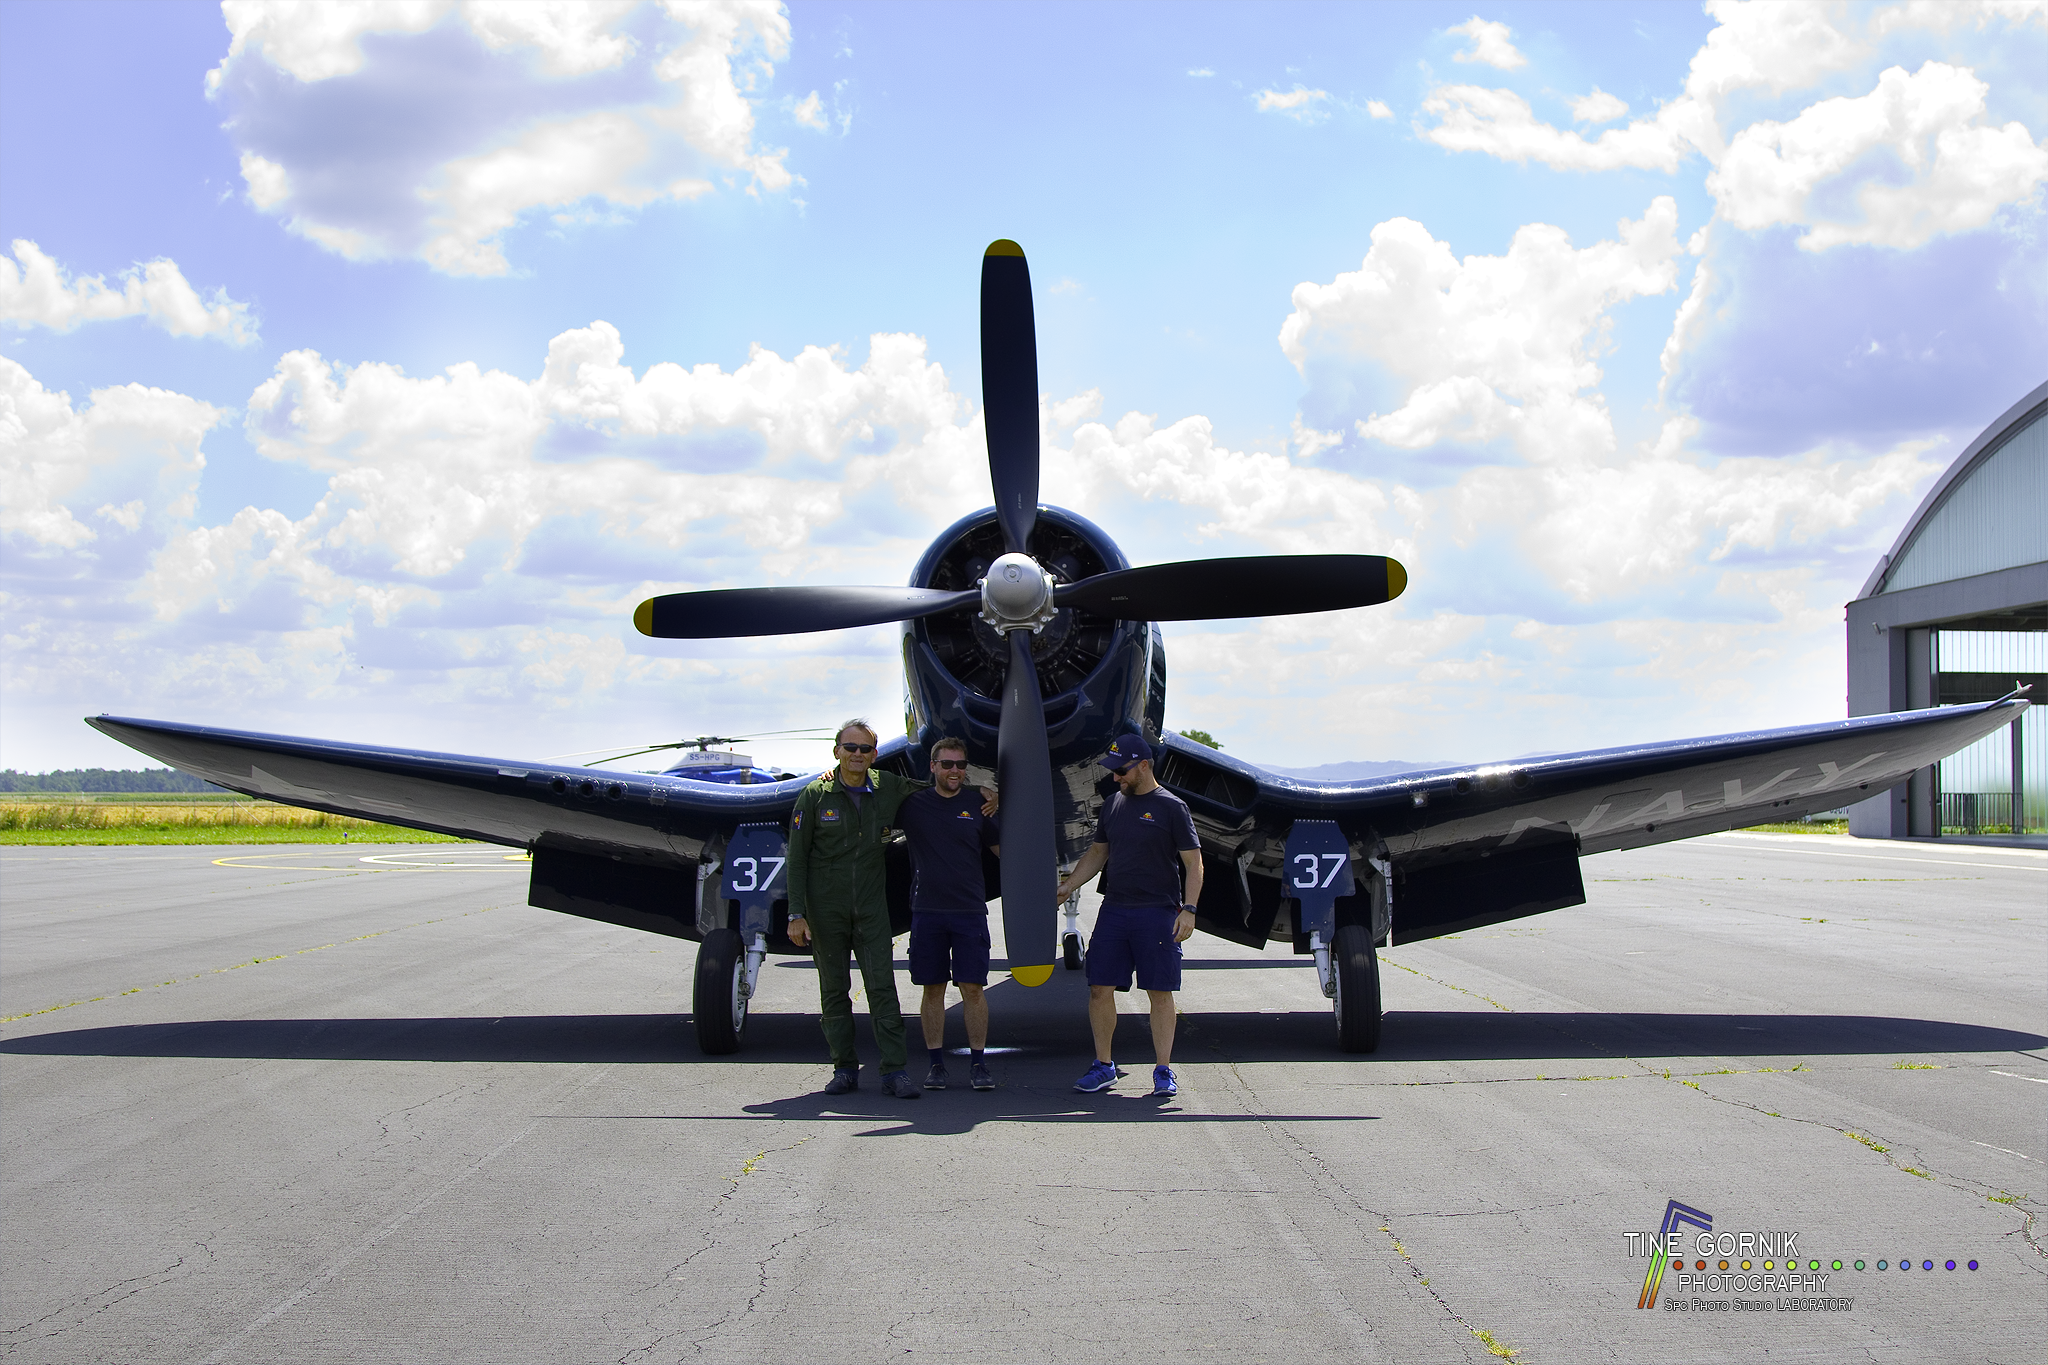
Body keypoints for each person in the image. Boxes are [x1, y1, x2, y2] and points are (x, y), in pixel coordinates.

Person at [784, 720, 928, 1100]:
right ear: (837, 752)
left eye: (865, 749)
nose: (857, 754)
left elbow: (934, 790)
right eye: (850, 748)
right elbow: (796, 860)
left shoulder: (887, 787)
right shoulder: (814, 796)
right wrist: (796, 914)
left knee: (882, 988)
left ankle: (895, 1071)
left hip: (871, 910)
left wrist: (982, 790)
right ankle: (844, 1069)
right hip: (825, 911)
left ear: (874, 754)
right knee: (834, 991)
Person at [1055, 733, 1203, 1098]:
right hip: (1115, 910)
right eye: (1113, 771)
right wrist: (1068, 885)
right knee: (1099, 989)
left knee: (1159, 992)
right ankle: (1103, 1066)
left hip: (1158, 912)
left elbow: (1194, 863)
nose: (1116, 777)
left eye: (1121, 771)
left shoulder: (1172, 807)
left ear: (1144, 765)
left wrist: (1189, 909)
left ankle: (1163, 1070)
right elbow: (1098, 852)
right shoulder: (1112, 805)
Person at [895, 736, 1001, 1091]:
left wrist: (1043, 879)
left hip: (969, 911)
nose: (954, 771)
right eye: (947, 764)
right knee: (933, 988)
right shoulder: (912, 805)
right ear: (933, 766)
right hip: (927, 911)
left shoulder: (978, 805)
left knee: (973, 988)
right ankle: (936, 1065)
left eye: (960, 765)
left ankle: (979, 1064)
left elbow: (1004, 850)